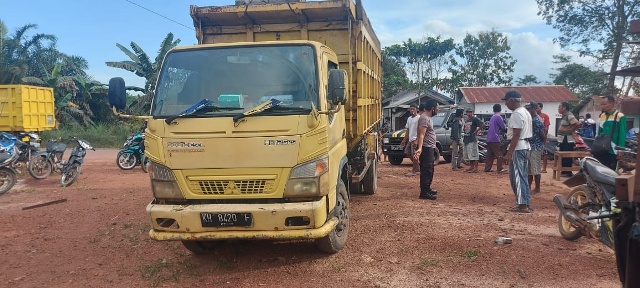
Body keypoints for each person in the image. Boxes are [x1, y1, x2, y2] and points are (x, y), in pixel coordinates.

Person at [503, 90, 533, 213]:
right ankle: (525, 202)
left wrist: (509, 153)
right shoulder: (525, 112)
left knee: (517, 177)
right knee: (523, 176)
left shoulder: (516, 113)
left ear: (512, 100)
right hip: (525, 146)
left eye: (506, 101)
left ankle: (522, 205)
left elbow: (516, 134)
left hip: (518, 146)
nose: (506, 104)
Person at [414, 100, 439, 200]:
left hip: (430, 147)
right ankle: (424, 192)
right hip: (426, 148)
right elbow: (421, 134)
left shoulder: (427, 118)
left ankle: (427, 189)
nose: (438, 110)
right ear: (433, 108)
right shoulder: (424, 118)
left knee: (430, 170)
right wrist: (420, 148)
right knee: (426, 170)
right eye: (437, 108)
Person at [595, 96, 628, 170]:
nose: (602, 106)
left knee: (611, 172)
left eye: (604, 104)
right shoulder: (602, 116)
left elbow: (622, 134)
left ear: (612, 104)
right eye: (601, 104)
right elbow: (599, 133)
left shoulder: (620, 116)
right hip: (602, 149)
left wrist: (620, 150)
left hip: (613, 150)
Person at [526, 102, 546, 194]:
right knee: (529, 168)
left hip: (536, 146)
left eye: (529, 108)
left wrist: (543, 144)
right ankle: (528, 187)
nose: (528, 110)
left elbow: (542, 134)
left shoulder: (537, 120)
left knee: (535, 168)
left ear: (534, 108)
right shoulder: (532, 119)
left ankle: (537, 188)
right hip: (531, 146)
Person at [557, 102, 580, 177]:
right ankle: (564, 172)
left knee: (567, 156)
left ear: (564, 108)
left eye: (559, 107)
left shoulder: (569, 115)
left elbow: (577, 124)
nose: (558, 109)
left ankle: (568, 172)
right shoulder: (564, 116)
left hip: (567, 139)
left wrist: (570, 131)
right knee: (563, 155)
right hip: (563, 139)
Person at [484, 104, 506, 173]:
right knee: (499, 152)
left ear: (493, 109)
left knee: (490, 154)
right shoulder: (498, 117)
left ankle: (487, 168)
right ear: (500, 109)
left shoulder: (492, 117)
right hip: (495, 138)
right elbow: (503, 127)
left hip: (489, 137)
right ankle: (500, 168)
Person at [400, 105, 420, 176]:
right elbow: (407, 130)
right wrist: (404, 140)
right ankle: (417, 167)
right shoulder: (409, 119)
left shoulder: (419, 118)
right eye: (411, 109)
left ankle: (414, 170)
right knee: (408, 152)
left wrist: (417, 139)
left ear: (416, 110)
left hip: (415, 139)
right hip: (410, 139)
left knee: (414, 154)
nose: (412, 111)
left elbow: (420, 130)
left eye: (413, 109)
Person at [462, 107, 483, 173]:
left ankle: (476, 168)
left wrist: (476, 131)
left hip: (472, 139)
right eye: (468, 112)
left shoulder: (475, 119)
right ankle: (471, 166)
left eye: (470, 112)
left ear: (473, 112)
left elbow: (482, 124)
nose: (469, 113)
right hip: (466, 138)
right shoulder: (467, 120)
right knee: (469, 154)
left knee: (474, 153)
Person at [536, 103, 551, 173]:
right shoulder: (532, 116)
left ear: (541, 108)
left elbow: (546, 127)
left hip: (543, 137)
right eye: (536, 107)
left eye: (538, 107)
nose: (536, 109)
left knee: (544, 152)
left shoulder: (545, 116)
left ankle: (544, 168)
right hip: (535, 138)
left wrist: (544, 137)